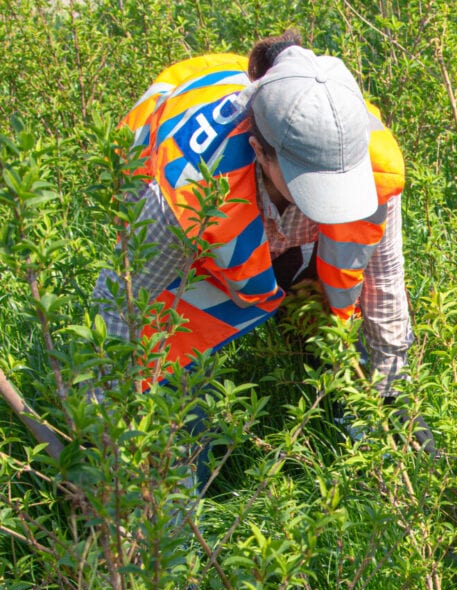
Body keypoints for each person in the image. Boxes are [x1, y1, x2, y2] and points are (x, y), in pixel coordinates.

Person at [92, 30, 434, 456]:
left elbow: (384, 280)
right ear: (260, 152)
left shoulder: (363, 152)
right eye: (312, 188)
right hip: (194, 230)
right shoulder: (191, 188)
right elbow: (121, 300)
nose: (332, 208)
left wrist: (390, 390)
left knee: (343, 278)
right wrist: (110, 421)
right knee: (180, 408)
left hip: (268, 213)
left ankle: (347, 409)